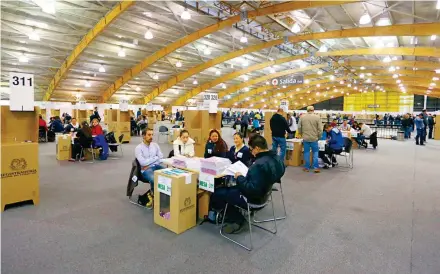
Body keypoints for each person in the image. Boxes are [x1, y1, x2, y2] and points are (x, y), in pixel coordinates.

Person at [210, 135, 285, 234]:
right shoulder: (276, 158)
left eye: (251, 149)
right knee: (230, 190)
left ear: (257, 148)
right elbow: (280, 173)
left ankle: (238, 219)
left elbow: (250, 188)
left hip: (253, 198)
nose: (251, 152)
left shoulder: (258, 165)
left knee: (217, 194)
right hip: (265, 194)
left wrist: (239, 177)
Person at [135, 129, 165, 209]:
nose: (151, 137)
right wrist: (155, 158)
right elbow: (142, 163)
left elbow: (161, 157)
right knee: (154, 179)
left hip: (155, 166)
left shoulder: (155, 145)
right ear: (144, 136)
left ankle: (163, 196)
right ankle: (153, 196)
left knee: (168, 175)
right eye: (149, 135)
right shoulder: (139, 148)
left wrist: (151, 161)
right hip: (145, 170)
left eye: (152, 135)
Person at [297, 106, 322, 173]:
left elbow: (299, 127)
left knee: (306, 153)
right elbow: (320, 129)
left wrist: (301, 134)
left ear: (307, 110)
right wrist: (318, 137)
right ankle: (316, 167)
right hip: (314, 138)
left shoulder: (302, 117)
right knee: (315, 153)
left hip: (305, 138)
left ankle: (306, 167)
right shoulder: (317, 117)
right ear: (313, 110)